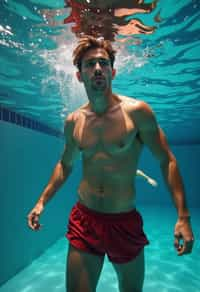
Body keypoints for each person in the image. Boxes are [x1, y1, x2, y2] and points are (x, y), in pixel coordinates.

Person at [27, 36, 194, 292]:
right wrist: (41, 201)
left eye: (103, 63)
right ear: (79, 76)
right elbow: (65, 164)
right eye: (89, 64)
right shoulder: (74, 121)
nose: (97, 68)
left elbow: (167, 160)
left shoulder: (137, 112)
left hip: (123, 221)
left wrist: (183, 216)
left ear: (112, 71)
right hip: (85, 218)